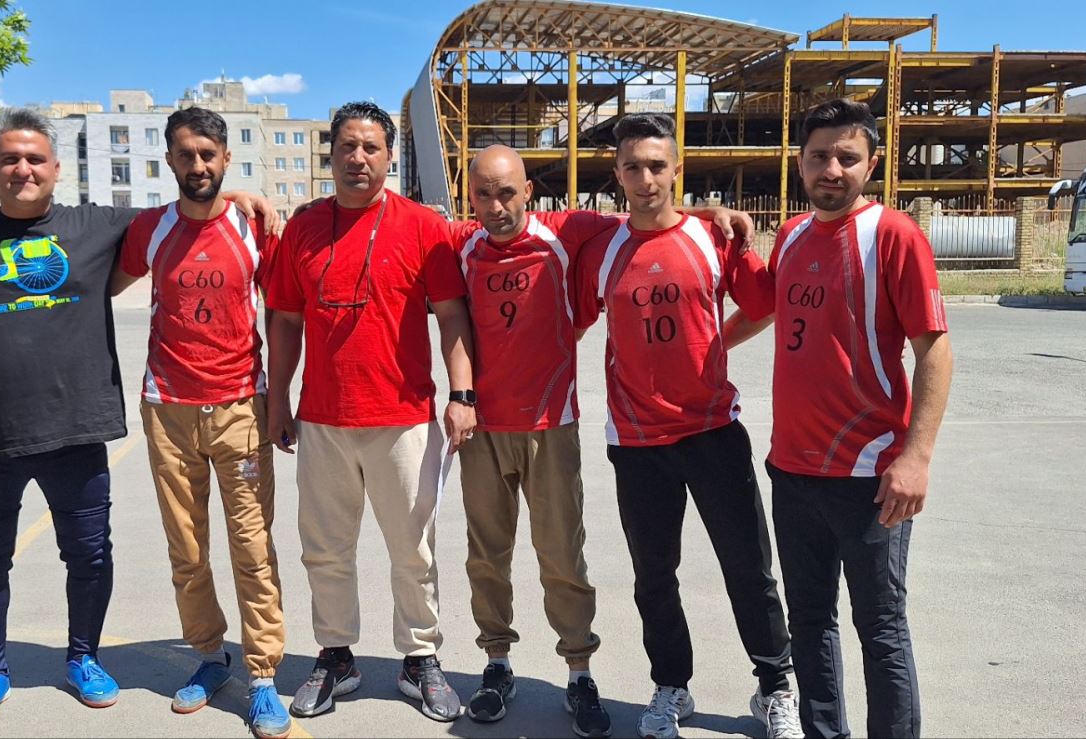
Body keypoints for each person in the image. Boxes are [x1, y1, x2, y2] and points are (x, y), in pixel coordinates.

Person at [0, 106, 275, 733]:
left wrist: (238, 196)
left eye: (35, 158)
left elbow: (197, 207)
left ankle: (91, 658)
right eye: (10, 159)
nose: (23, 169)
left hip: (82, 428)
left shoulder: (99, 225)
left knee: (94, 557)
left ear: (57, 168)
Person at [449, 144, 754, 738]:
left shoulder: (569, 232)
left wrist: (707, 211)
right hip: (483, 427)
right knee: (487, 555)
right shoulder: (461, 242)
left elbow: (650, 213)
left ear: (528, 191)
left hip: (551, 425)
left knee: (562, 557)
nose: (496, 206)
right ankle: (497, 663)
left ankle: (578, 671)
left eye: (507, 192)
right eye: (483, 195)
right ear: (471, 199)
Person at [573, 112, 802, 739]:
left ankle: (775, 687)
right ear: (617, 173)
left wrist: (719, 340)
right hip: (636, 441)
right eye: (632, 167)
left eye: (656, 166)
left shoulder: (713, 237)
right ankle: (671, 686)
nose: (645, 178)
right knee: (654, 577)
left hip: (712, 432)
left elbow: (766, 303)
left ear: (676, 169)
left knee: (748, 569)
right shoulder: (601, 249)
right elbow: (571, 321)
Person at [263, 101, 474, 723]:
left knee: (413, 549)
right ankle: (336, 656)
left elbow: (453, 315)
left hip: (403, 417)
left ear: (389, 155)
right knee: (325, 548)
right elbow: (285, 321)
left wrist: (462, 394)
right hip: (323, 419)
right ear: (330, 155)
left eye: (371, 147)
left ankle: (420, 657)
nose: (358, 158)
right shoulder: (303, 230)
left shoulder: (422, 226)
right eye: (347, 147)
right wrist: (279, 400)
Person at [764, 98, 953, 739]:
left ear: (871, 165)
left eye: (847, 157)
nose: (832, 169)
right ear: (799, 162)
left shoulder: (893, 235)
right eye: (819, 156)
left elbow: (935, 351)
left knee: (880, 627)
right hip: (792, 470)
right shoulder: (790, 235)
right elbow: (766, 310)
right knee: (809, 619)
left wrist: (916, 458)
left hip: (870, 474)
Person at [109, 106, 290, 739]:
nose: (198, 165)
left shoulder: (254, 225)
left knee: (253, 549)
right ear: (169, 160)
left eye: (208, 155)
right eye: (186, 154)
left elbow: (283, 313)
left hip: (241, 405)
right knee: (187, 548)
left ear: (226, 159)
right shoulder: (150, 229)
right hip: (168, 408)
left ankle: (263, 676)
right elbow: (104, 283)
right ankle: (211, 656)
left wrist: (281, 398)